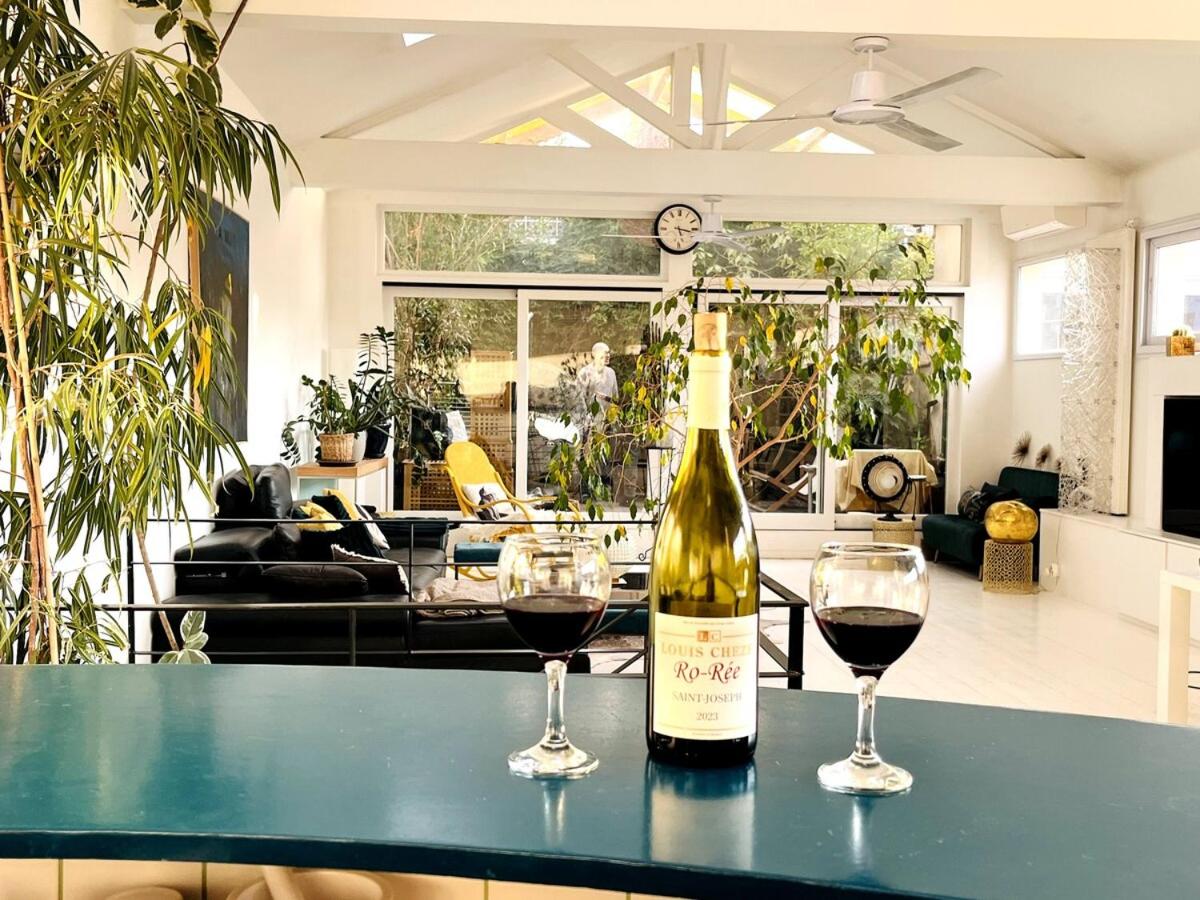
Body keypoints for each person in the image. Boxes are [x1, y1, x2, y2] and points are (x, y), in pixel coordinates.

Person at [577, 341, 618, 411]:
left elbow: (615, 398)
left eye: (608, 353)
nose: (608, 355)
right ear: (594, 354)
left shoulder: (611, 372)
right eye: (605, 353)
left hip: (609, 414)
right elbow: (579, 400)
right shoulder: (584, 373)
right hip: (590, 414)